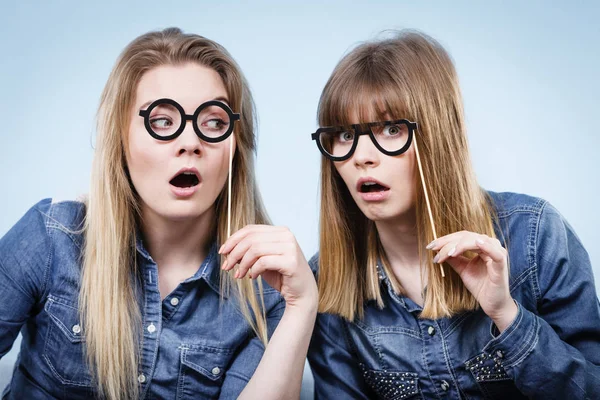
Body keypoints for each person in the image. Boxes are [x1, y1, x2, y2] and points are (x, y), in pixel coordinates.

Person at [0, 27, 317, 399]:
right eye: (162, 121)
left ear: (236, 147)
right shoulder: (51, 238)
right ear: (121, 138)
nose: (190, 143)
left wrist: (303, 305)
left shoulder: (266, 293)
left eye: (214, 122)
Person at [307, 30, 600, 399]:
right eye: (345, 135)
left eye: (392, 129)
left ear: (438, 135)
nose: (362, 155)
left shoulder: (535, 233)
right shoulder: (327, 279)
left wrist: (506, 315)